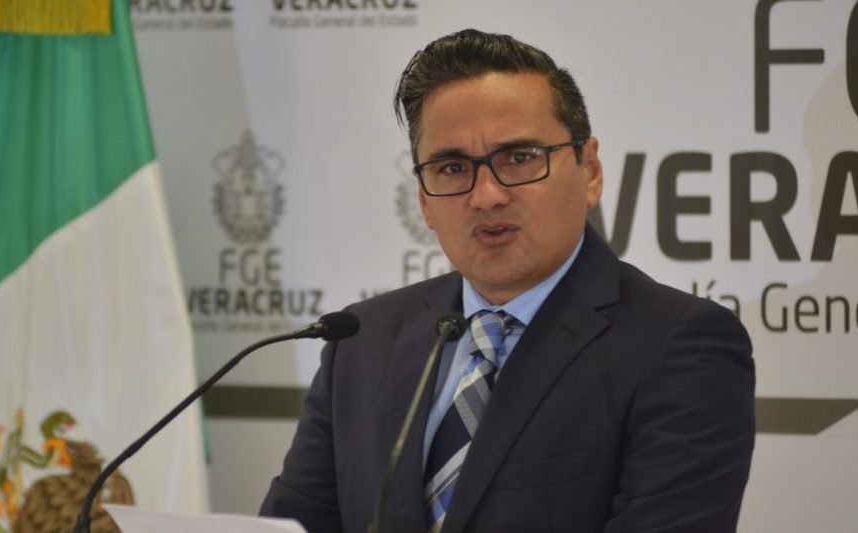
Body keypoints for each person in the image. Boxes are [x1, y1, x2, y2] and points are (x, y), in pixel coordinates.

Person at [261, 29, 755, 532]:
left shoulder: (679, 346)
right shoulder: (363, 341)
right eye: (453, 167)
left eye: (519, 158)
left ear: (590, 171)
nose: (487, 196)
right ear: (424, 199)